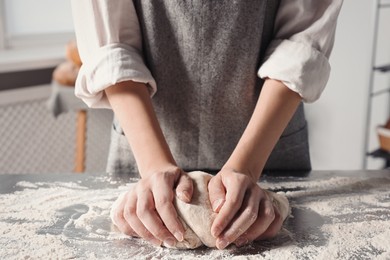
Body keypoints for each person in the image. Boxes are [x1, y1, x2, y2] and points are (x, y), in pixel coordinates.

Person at [71, 0, 343, 250]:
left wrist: (247, 167)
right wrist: (154, 166)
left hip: (269, 144)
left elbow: (300, 40)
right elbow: (111, 45)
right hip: (142, 148)